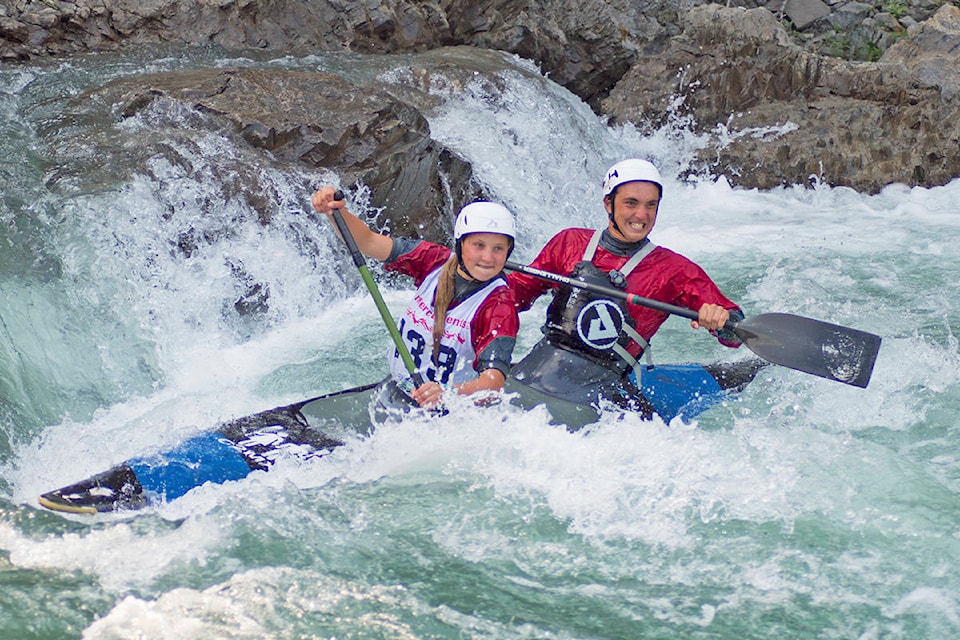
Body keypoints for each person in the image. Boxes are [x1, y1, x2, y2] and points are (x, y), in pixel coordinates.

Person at [506, 158, 743, 409]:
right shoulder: (569, 242)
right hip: (536, 372)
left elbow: (736, 333)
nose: (641, 215)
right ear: (608, 203)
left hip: (602, 392)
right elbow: (513, 295)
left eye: (651, 205)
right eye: (631, 203)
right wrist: (471, 279)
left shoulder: (675, 270)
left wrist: (721, 321)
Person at [311, 187, 519, 411]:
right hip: (396, 392)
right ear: (460, 244)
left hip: (451, 413)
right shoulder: (433, 261)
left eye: (498, 248)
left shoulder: (499, 306)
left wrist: (447, 394)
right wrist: (337, 213)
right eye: (478, 245)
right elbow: (369, 242)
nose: (488, 257)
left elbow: (492, 382)